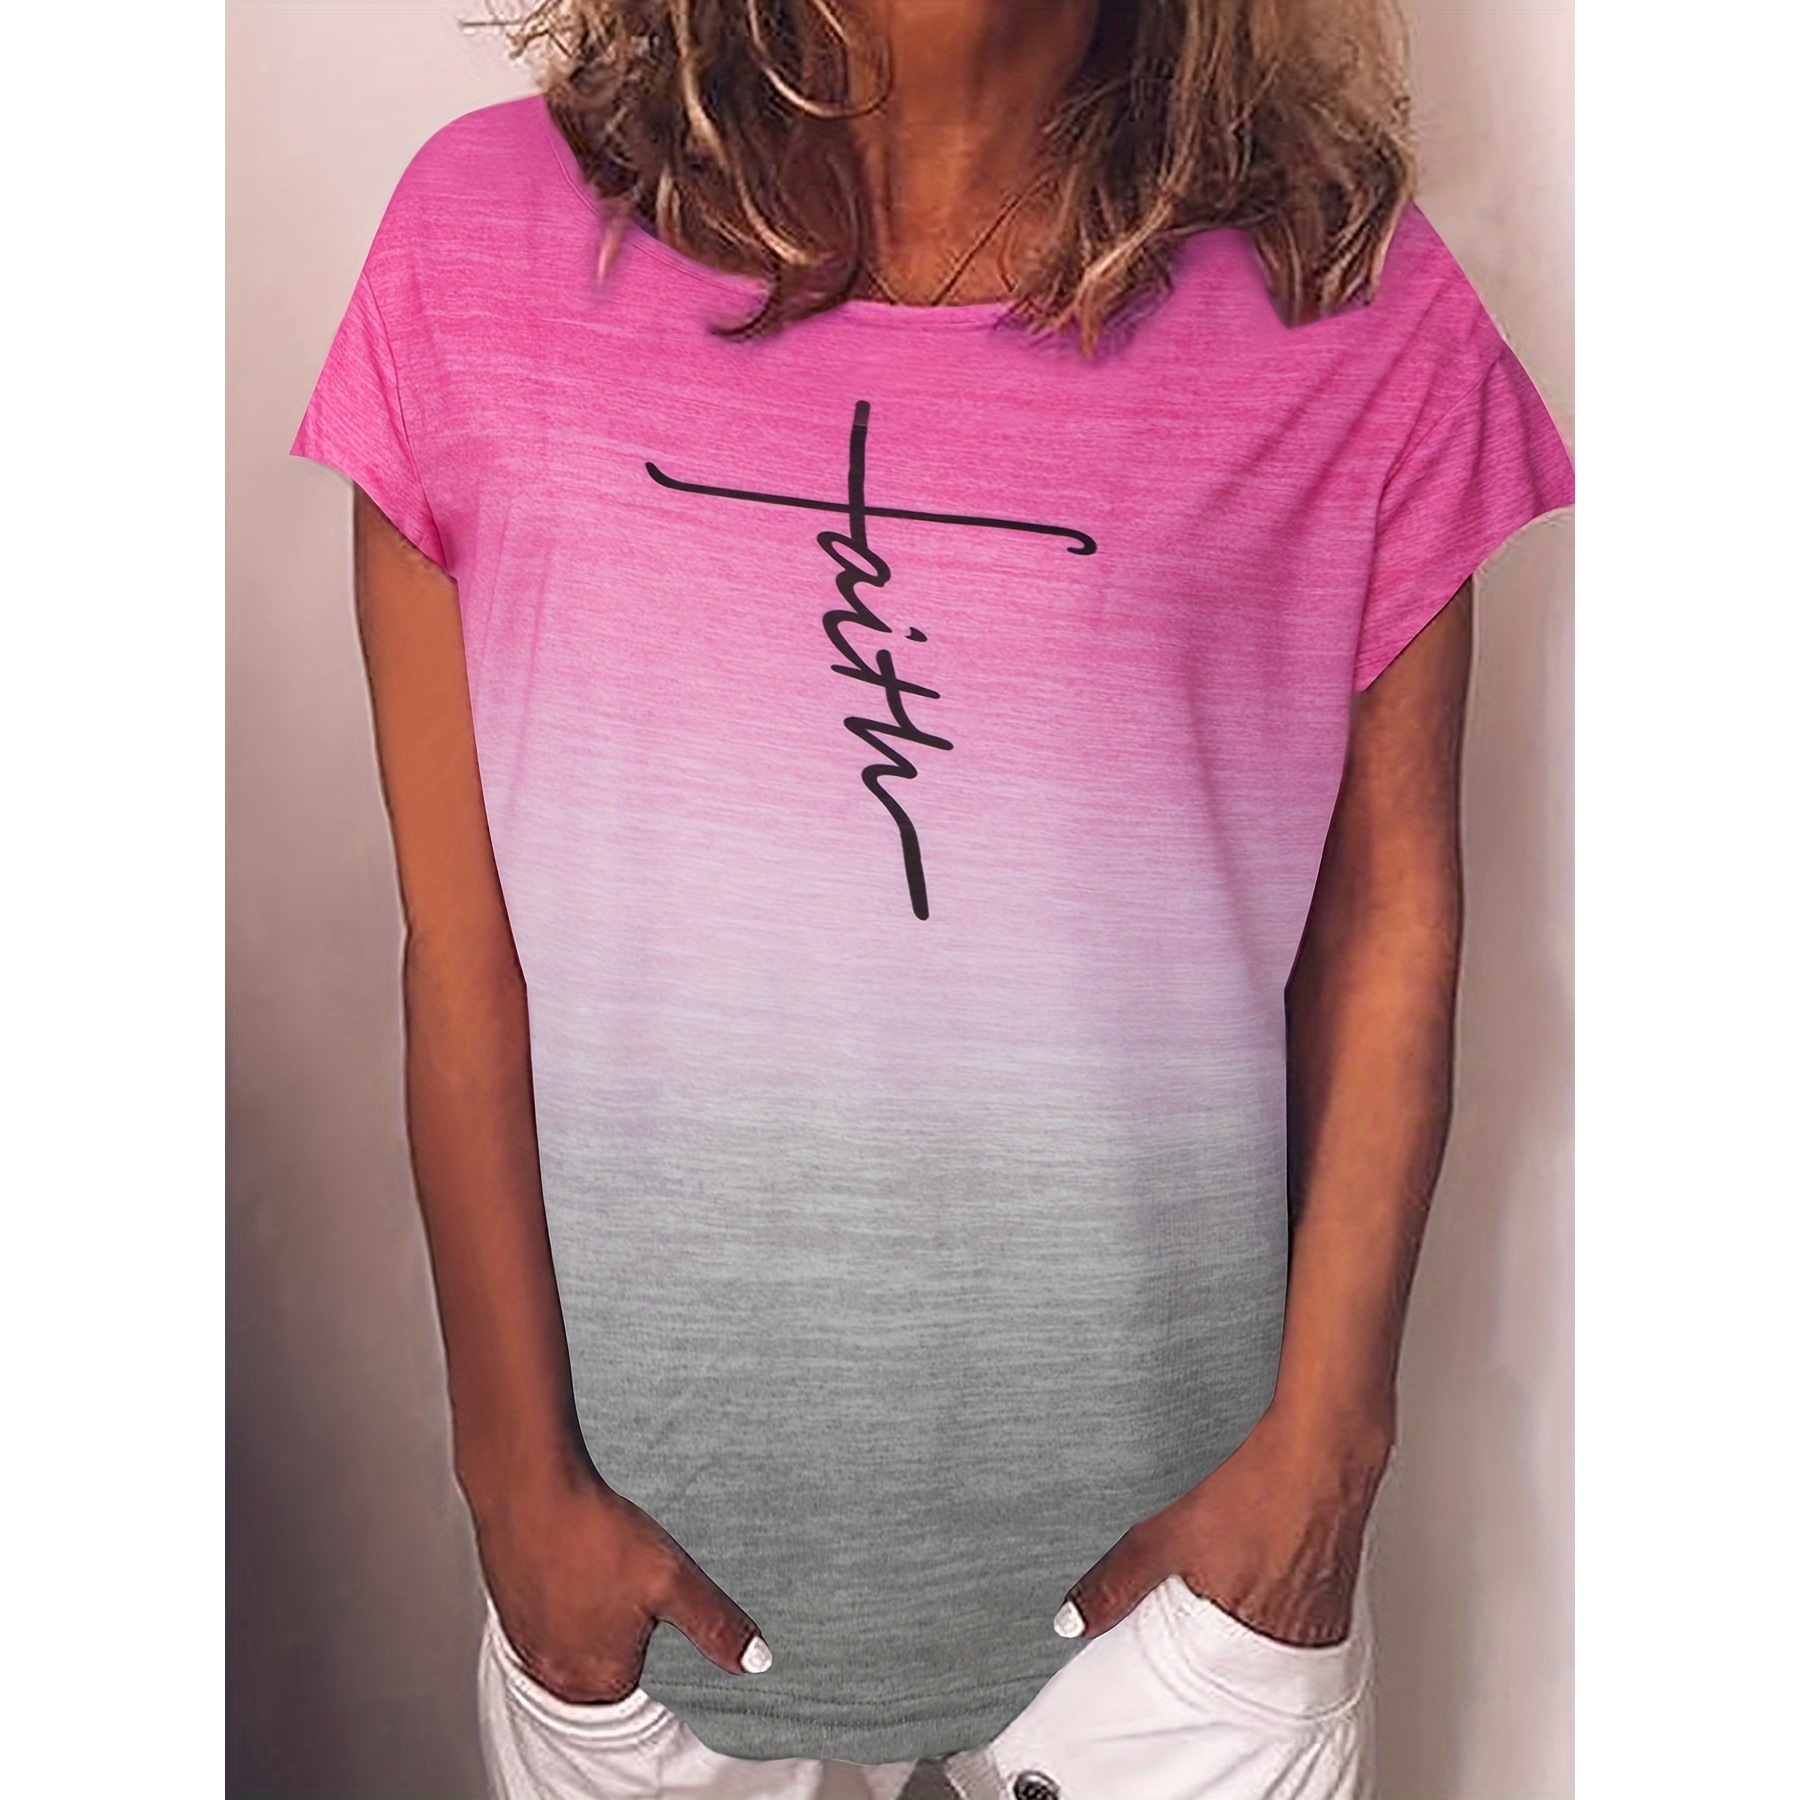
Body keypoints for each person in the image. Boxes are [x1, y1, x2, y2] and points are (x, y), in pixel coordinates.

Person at [289, 2, 1573, 1795]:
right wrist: (510, 1478)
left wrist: (1322, 1469)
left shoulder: (1343, 294)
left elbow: (1388, 930)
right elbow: (463, 946)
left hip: (1178, 1605)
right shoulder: (480, 240)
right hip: (645, 1591)